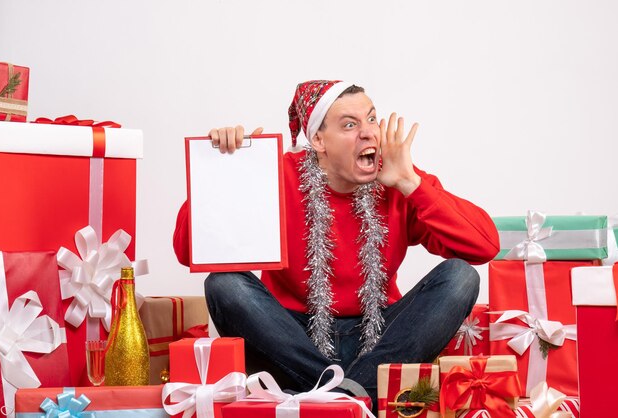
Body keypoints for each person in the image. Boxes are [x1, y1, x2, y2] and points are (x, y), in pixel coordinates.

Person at [173, 80, 499, 408]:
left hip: (382, 337)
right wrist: (227, 172)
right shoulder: (276, 175)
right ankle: (351, 396)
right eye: (349, 125)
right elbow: (190, 251)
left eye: (372, 119)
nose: (370, 133)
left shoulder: (397, 179)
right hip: (295, 337)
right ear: (318, 140)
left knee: (460, 276)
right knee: (224, 284)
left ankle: (335, 398)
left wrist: (410, 182)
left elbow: (484, 245)